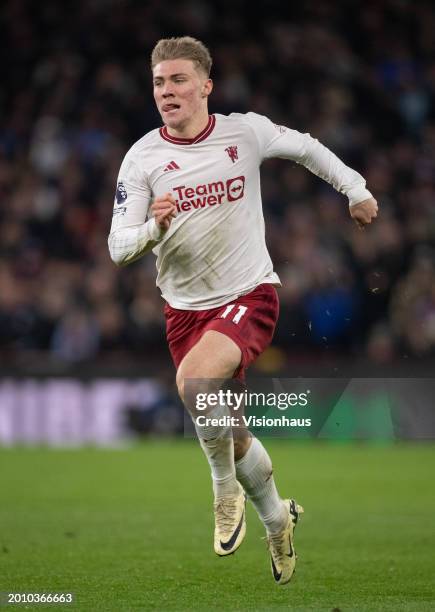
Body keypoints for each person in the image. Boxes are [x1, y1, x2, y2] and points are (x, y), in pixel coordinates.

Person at [108, 36, 378, 585]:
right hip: (184, 311)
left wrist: (354, 188)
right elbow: (118, 248)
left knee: (193, 382)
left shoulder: (243, 132)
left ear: (206, 85)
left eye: (179, 80)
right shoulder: (142, 158)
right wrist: (154, 228)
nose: (167, 91)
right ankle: (278, 520)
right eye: (159, 82)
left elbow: (304, 147)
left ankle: (222, 490)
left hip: (249, 295)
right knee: (228, 429)